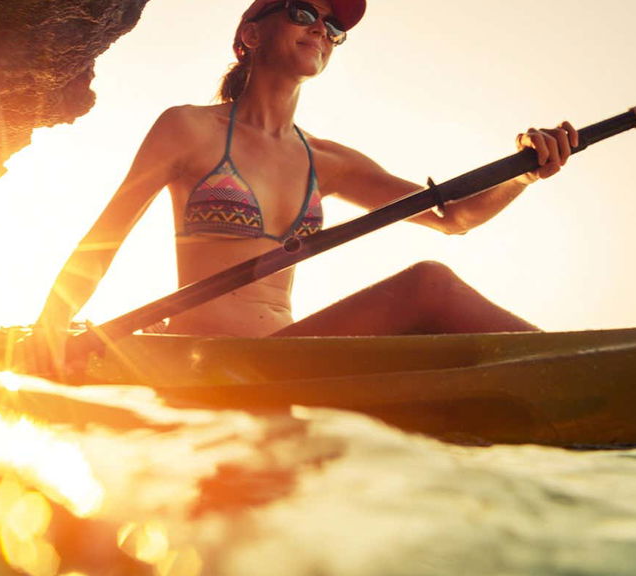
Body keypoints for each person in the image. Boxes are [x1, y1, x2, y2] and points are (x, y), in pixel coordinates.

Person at [33, 0, 576, 357]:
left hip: (294, 353)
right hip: (209, 357)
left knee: (432, 308)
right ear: (250, 33)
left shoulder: (330, 160)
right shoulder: (188, 129)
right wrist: (47, 333)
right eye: (302, 11)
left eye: (333, 26)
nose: (321, 27)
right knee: (427, 285)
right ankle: (581, 370)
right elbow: (101, 242)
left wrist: (525, 174)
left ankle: (583, 377)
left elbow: (454, 217)